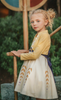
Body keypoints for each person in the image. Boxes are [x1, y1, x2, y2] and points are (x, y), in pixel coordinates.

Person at [11, 9, 58, 100]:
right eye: (32, 21)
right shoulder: (38, 35)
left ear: (46, 22)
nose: (34, 24)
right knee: (38, 94)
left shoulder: (44, 35)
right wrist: (25, 51)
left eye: (37, 21)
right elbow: (34, 50)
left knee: (40, 93)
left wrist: (20, 55)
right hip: (35, 65)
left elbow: (36, 55)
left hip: (39, 66)